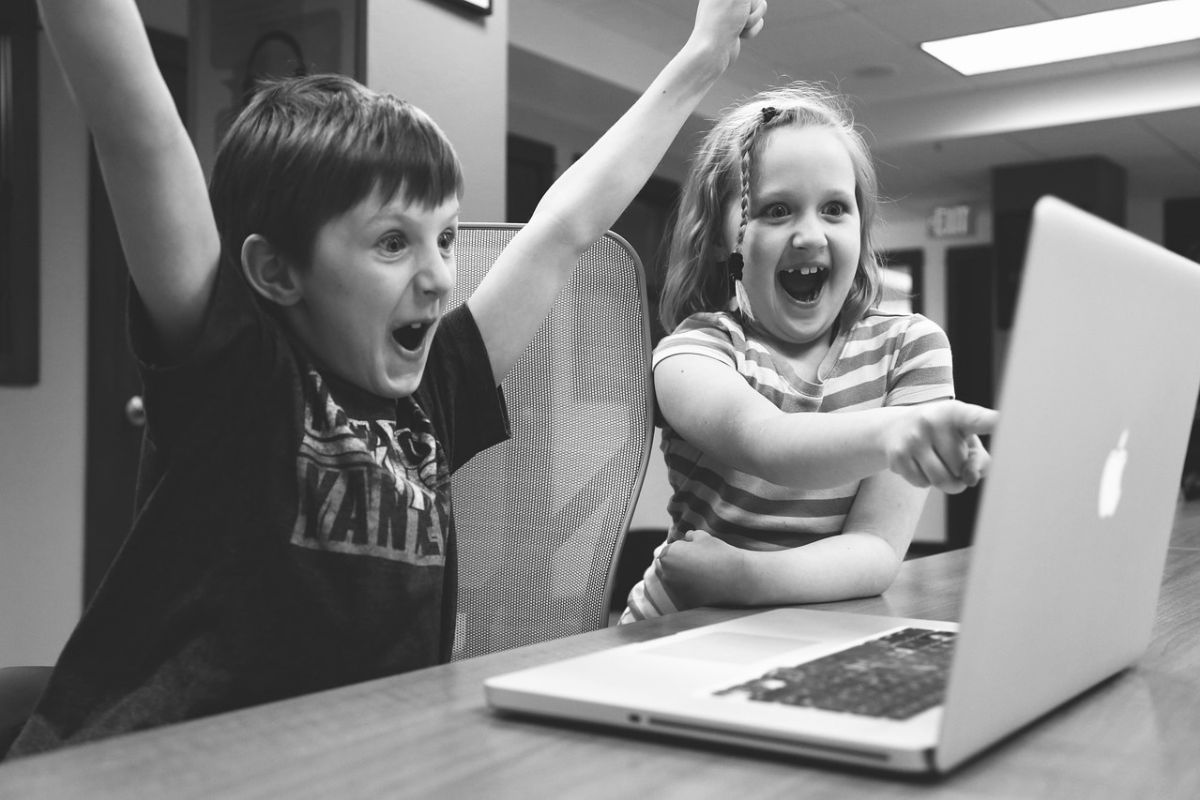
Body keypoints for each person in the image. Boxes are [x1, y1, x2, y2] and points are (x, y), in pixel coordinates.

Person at [8, 0, 768, 758]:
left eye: (443, 236)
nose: (441, 277)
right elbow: (135, 132)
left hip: (349, 763)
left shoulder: (435, 390)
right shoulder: (236, 370)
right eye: (393, 244)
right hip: (146, 768)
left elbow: (563, 229)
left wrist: (702, 55)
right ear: (275, 272)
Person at [620, 83, 997, 624]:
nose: (809, 234)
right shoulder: (693, 353)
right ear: (724, 238)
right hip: (679, 629)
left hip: (811, 629)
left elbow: (877, 550)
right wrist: (896, 432)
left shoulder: (910, 349)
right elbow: (769, 443)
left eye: (835, 209)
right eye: (777, 210)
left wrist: (747, 578)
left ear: (861, 227)